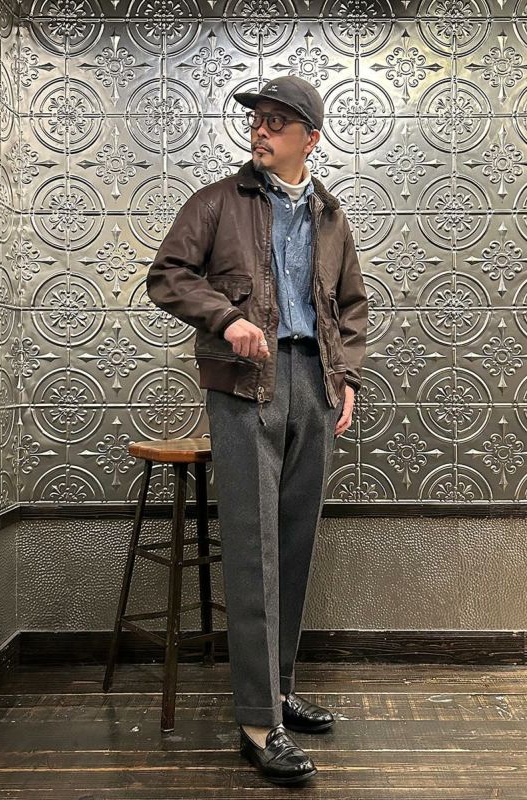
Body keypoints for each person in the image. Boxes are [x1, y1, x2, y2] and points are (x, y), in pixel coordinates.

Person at [146, 75, 368, 784]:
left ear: (311, 138)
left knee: (295, 544)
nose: (260, 130)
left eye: (277, 122)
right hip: (246, 385)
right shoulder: (217, 202)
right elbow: (167, 274)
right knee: (253, 548)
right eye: (257, 120)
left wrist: (346, 378)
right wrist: (227, 318)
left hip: (314, 384)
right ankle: (255, 721)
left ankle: (278, 690)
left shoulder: (330, 215)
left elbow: (351, 306)